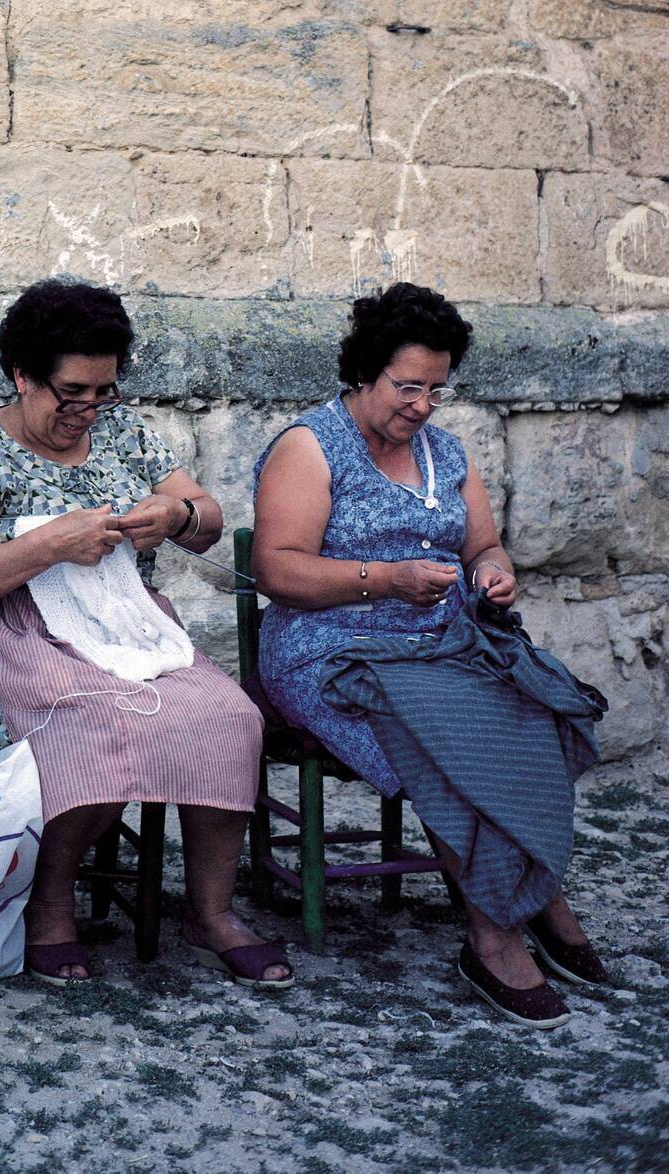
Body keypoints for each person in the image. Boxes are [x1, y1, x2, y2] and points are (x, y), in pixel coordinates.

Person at [0, 278, 290, 989]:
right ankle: (50, 907)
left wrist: (176, 517)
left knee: (230, 716)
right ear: (22, 376)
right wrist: (50, 544)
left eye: (103, 391)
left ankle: (209, 912)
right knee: (89, 723)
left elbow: (207, 522)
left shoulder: (122, 434)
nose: (87, 410)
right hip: (12, 639)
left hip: (124, 627)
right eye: (71, 392)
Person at [252, 282, 607, 1029]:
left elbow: (482, 542)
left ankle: (536, 890)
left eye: (436, 390)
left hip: (443, 640)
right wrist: (385, 579)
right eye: (407, 387)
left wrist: (492, 572)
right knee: (450, 735)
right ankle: (493, 932)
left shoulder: (446, 453)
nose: (421, 406)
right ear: (363, 373)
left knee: (532, 706)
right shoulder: (311, 446)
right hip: (333, 648)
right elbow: (277, 571)